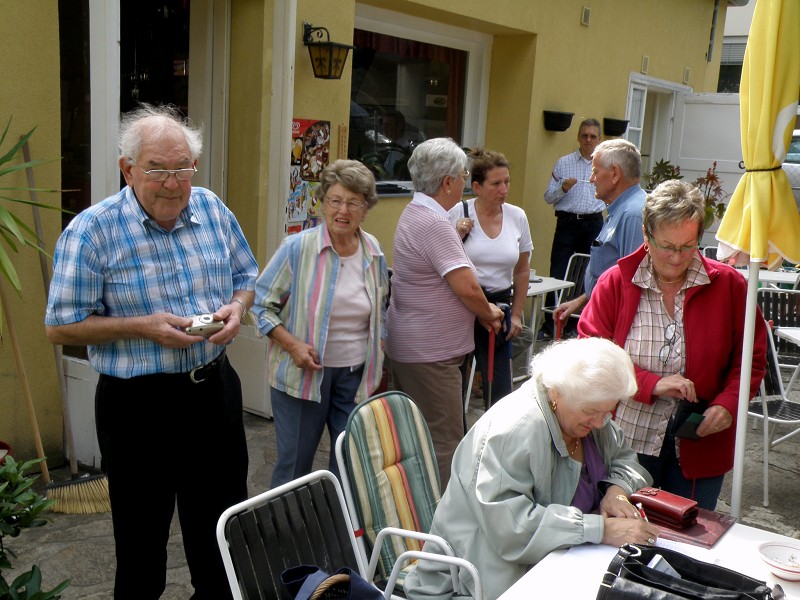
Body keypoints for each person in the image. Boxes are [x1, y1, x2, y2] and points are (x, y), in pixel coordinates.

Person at [44, 103, 258, 600]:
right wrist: (143, 328)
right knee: (141, 551)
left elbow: (247, 276)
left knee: (223, 537)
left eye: (183, 168)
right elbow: (60, 327)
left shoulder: (211, 208)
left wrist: (236, 308)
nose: (173, 183)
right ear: (128, 169)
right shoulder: (93, 231)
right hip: (138, 408)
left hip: (213, 393)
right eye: (157, 169)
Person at [403, 337, 659, 600]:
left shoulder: (587, 412)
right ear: (556, 393)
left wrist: (616, 491)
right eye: (590, 411)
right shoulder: (515, 430)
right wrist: (601, 529)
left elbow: (625, 458)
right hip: (477, 581)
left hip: (559, 562)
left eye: (607, 412)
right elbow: (511, 529)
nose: (599, 422)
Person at [578, 179, 767, 509]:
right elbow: (591, 353)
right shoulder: (616, 282)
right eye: (667, 246)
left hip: (701, 441)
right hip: (626, 441)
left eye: (688, 246)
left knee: (690, 532)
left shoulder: (729, 286)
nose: (677, 258)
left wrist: (728, 404)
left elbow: (751, 357)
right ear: (646, 234)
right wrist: (651, 383)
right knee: (623, 528)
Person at [252, 159, 388, 488]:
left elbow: (380, 309)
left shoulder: (373, 250)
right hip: (303, 376)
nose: (343, 210)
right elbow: (260, 306)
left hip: (355, 377)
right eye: (335, 200)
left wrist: (379, 354)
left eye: (353, 202)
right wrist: (294, 346)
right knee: (294, 468)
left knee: (349, 465)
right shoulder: (297, 248)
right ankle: (285, 520)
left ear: (366, 208)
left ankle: (339, 521)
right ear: (323, 202)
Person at [385, 138, 504, 487]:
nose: (465, 181)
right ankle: (441, 514)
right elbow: (466, 287)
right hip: (431, 355)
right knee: (443, 442)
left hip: (415, 347)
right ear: (447, 182)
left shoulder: (417, 212)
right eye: (463, 175)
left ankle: (415, 505)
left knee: (416, 436)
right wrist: (488, 312)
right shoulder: (435, 223)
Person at [450, 148, 532, 404]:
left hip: (499, 306)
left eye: (507, 182)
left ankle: (496, 428)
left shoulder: (517, 216)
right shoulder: (459, 212)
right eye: (496, 184)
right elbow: (442, 261)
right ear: (477, 187)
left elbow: (522, 270)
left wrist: (516, 314)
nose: (504, 190)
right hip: (463, 304)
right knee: (455, 384)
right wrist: (456, 234)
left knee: (499, 388)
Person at [554, 138, 646, 325]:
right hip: (603, 314)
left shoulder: (633, 214)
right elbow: (609, 271)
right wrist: (583, 300)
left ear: (614, 174)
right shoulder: (622, 208)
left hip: (613, 324)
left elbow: (632, 285)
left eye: (595, 171)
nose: (591, 179)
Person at [541, 118, 605, 337]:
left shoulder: (605, 166)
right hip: (567, 223)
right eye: (584, 135)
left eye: (593, 136)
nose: (588, 140)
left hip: (593, 224)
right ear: (578, 137)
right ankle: (550, 325)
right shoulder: (564, 163)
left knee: (588, 273)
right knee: (559, 272)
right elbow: (548, 197)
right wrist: (563, 188)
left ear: (599, 139)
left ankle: (577, 326)